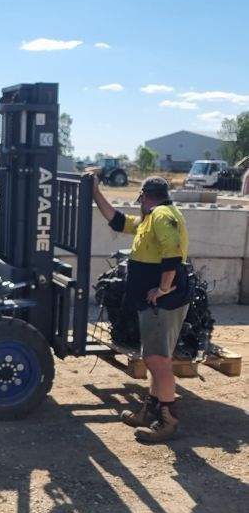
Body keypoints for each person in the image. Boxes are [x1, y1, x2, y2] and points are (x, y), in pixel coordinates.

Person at [89, 174, 190, 442]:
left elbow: (173, 251)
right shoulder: (151, 218)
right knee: (154, 357)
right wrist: (96, 193)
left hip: (163, 303)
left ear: (144, 197)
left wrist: (164, 288)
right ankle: (152, 409)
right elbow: (118, 221)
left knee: (158, 360)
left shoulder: (160, 216)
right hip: (155, 304)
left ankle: (169, 420)